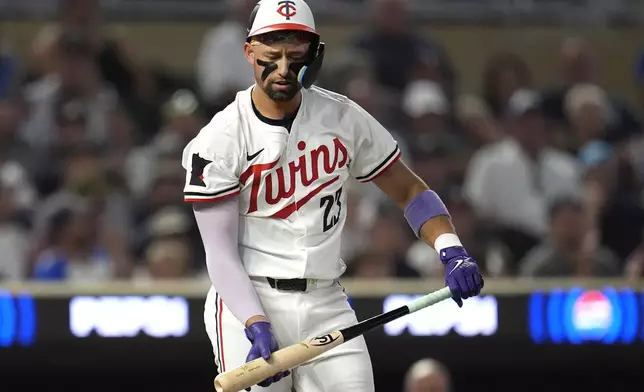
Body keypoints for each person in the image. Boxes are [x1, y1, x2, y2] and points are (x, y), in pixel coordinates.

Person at [181, 1, 484, 391]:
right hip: (248, 299)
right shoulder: (219, 138)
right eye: (271, 56)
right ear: (249, 52)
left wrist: (451, 248)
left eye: (295, 55)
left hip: (325, 301)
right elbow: (219, 255)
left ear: (316, 53)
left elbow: (409, 189)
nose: (283, 69)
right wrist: (255, 323)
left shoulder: (343, 117)